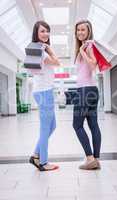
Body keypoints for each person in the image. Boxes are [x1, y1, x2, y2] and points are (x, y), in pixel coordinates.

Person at [29, 21, 60, 171]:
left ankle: (36, 155)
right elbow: (57, 62)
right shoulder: (41, 50)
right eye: (42, 31)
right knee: (45, 127)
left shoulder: (37, 49)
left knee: (52, 126)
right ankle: (43, 162)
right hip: (44, 91)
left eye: (47, 31)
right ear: (36, 33)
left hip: (43, 90)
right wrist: (50, 49)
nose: (46, 34)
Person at [73, 19, 101, 170]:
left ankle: (90, 158)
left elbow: (92, 66)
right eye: (78, 30)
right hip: (90, 90)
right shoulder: (86, 46)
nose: (80, 32)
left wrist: (83, 51)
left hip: (85, 91)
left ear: (89, 31)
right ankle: (96, 160)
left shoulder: (89, 46)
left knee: (77, 125)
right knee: (93, 125)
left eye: (83, 30)